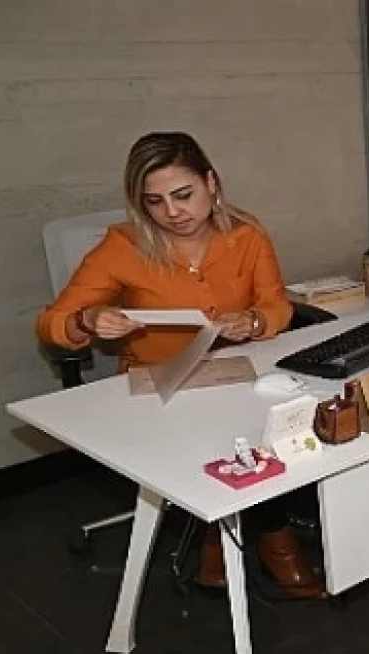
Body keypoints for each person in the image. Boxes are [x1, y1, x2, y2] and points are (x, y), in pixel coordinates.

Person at [36, 131, 324, 599]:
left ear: (211, 182)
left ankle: (228, 536)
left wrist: (254, 321)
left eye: (184, 194)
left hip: (233, 370)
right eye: (155, 202)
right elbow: (51, 322)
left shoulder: (246, 235)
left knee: (277, 421)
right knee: (234, 434)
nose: (173, 212)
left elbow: (277, 306)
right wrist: (86, 320)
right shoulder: (123, 247)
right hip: (158, 384)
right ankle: (269, 542)